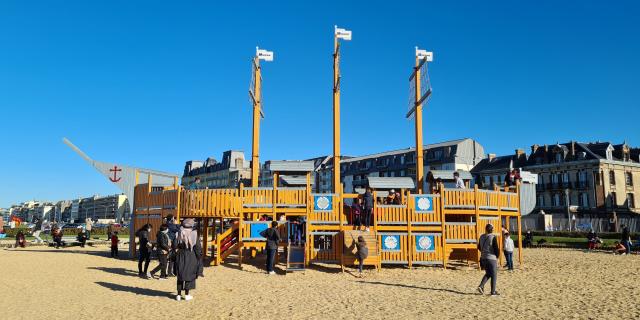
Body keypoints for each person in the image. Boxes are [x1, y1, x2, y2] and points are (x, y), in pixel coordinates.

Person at [174, 218, 202, 301]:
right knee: (189, 274)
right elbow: (197, 247)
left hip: (180, 254)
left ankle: (178, 295)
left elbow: (174, 245)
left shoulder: (178, 232)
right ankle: (187, 294)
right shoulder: (194, 233)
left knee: (180, 274)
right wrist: (198, 257)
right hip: (191, 255)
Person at [477, 224, 500, 296]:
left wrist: (484, 252)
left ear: (486, 229)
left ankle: (481, 285)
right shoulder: (493, 237)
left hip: (483, 258)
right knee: (494, 275)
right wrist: (497, 256)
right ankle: (493, 292)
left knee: (488, 273)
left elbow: (479, 247)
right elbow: (496, 249)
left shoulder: (481, 237)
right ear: (492, 229)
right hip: (491, 258)